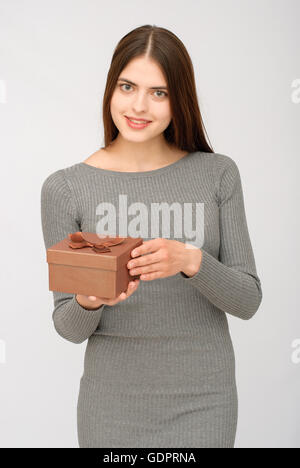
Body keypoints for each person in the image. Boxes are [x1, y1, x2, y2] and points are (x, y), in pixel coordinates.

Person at [40, 24, 263, 448]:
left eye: (159, 92)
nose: (139, 105)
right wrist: (89, 299)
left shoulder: (217, 175)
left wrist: (191, 262)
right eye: (127, 86)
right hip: (111, 406)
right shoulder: (66, 188)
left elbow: (248, 300)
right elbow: (67, 326)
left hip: (204, 401)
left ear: (180, 99)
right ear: (111, 88)